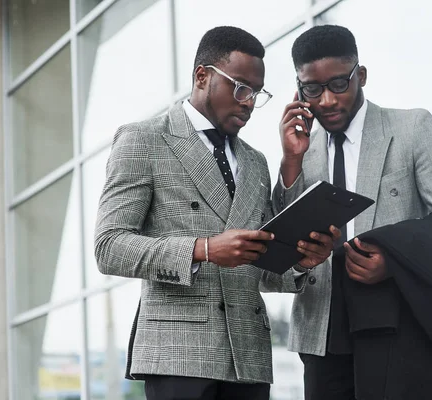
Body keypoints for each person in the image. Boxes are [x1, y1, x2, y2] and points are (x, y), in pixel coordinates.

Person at [94, 26, 337, 400]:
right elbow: (108, 247)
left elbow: (264, 268)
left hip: (249, 356)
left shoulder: (255, 162)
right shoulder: (145, 139)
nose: (249, 103)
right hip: (179, 356)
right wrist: (203, 249)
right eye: (241, 87)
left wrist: (303, 262)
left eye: (257, 93)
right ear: (202, 76)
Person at [275, 24, 432, 399]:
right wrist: (290, 162)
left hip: (402, 323)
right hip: (323, 334)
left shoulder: (412, 128)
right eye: (312, 90)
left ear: (360, 75)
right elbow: (281, 247)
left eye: (339, 84)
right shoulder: (301, 150)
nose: (328, 101)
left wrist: (394, 261)